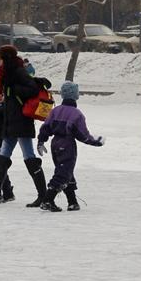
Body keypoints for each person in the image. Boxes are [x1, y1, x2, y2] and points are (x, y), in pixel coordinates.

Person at [0, 45, 48, 207]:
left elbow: (32, 89)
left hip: (21, 120)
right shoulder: (6, 73)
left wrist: (13, 89)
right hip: (11, 120)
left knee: (29, 157)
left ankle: (43, 195)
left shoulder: (17, 71)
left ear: (5, 58)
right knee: (3, 156)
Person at [37, 81, 104, 211]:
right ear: (75, 96)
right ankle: (48, 199)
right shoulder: (76, 114)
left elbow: (45, 128)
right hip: (67, 145)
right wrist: (96, 142)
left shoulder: (55, 111)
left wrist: (41, 141)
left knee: (66, 171)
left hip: (55, 144)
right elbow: (83, 135)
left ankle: (72, 202)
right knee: (63, 173)